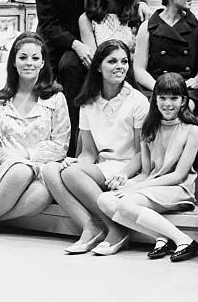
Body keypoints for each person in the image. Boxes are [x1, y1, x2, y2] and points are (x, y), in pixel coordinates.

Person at [0, 32, 71, 238]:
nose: (29, 63)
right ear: (14, 62)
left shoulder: (56, 98)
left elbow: (60, 145)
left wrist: (26, 156)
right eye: (23, 57)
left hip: (41, 167)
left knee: (42, 195)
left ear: (43, 63)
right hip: (7, 167)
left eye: (35, 58)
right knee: (20, 171)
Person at [42, 40, 149, 255]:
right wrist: (78, 163)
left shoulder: (138, 101)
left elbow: (141, 153)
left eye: (124, 61)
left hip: (126, 166)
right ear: (99, 66)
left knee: (71, 174)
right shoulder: (88, 102)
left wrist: (123, 175)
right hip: (101, 166)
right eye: (112, 61)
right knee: (51, 170)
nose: (120, 66)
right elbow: (89, 152)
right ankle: (93, 225)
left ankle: (116, 229)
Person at [96, 73, 198, 261]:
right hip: (151, 185)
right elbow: (146, 173)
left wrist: (137, 188)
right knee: (104, 199)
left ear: (184, 100)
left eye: (174, 98)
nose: (168, 104)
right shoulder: (149, 129)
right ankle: (160, 237)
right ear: (155, 100)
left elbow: (178, 175)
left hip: (177, 189)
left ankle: (184, 240)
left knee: (126, 204)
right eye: (162, 98)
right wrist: (127, 182)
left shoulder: (192, 130)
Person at [36, 0, 102, 157]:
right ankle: (73, 147)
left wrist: (140, 4)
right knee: (70, 67)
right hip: (60, 43)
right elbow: (48, 24)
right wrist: (77, 45)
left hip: (97, 40)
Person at [134, 0, 198, 111]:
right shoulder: (147, 27)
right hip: (155, 87)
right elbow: (139, 70)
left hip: (188, 88)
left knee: (183, 109)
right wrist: (160, 88)